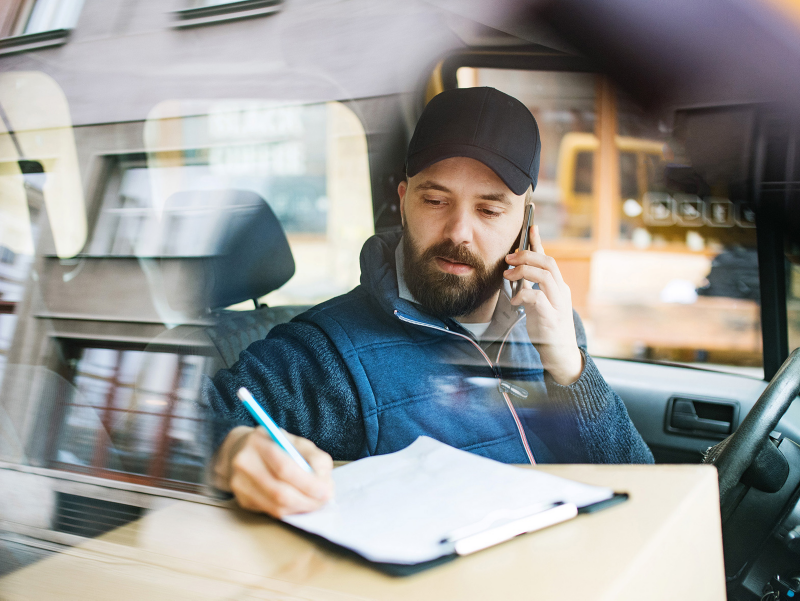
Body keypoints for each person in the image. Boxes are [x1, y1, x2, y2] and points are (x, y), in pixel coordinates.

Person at [204, 87, 654, 518]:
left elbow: (644, 495)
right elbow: (178, 425)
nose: (459, 231)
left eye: (489, 210)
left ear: (526, 222)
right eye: (436, 200)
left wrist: (571, 369)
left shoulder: (551, 326)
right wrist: (230, 451)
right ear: (404, 202)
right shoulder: (326, 354)